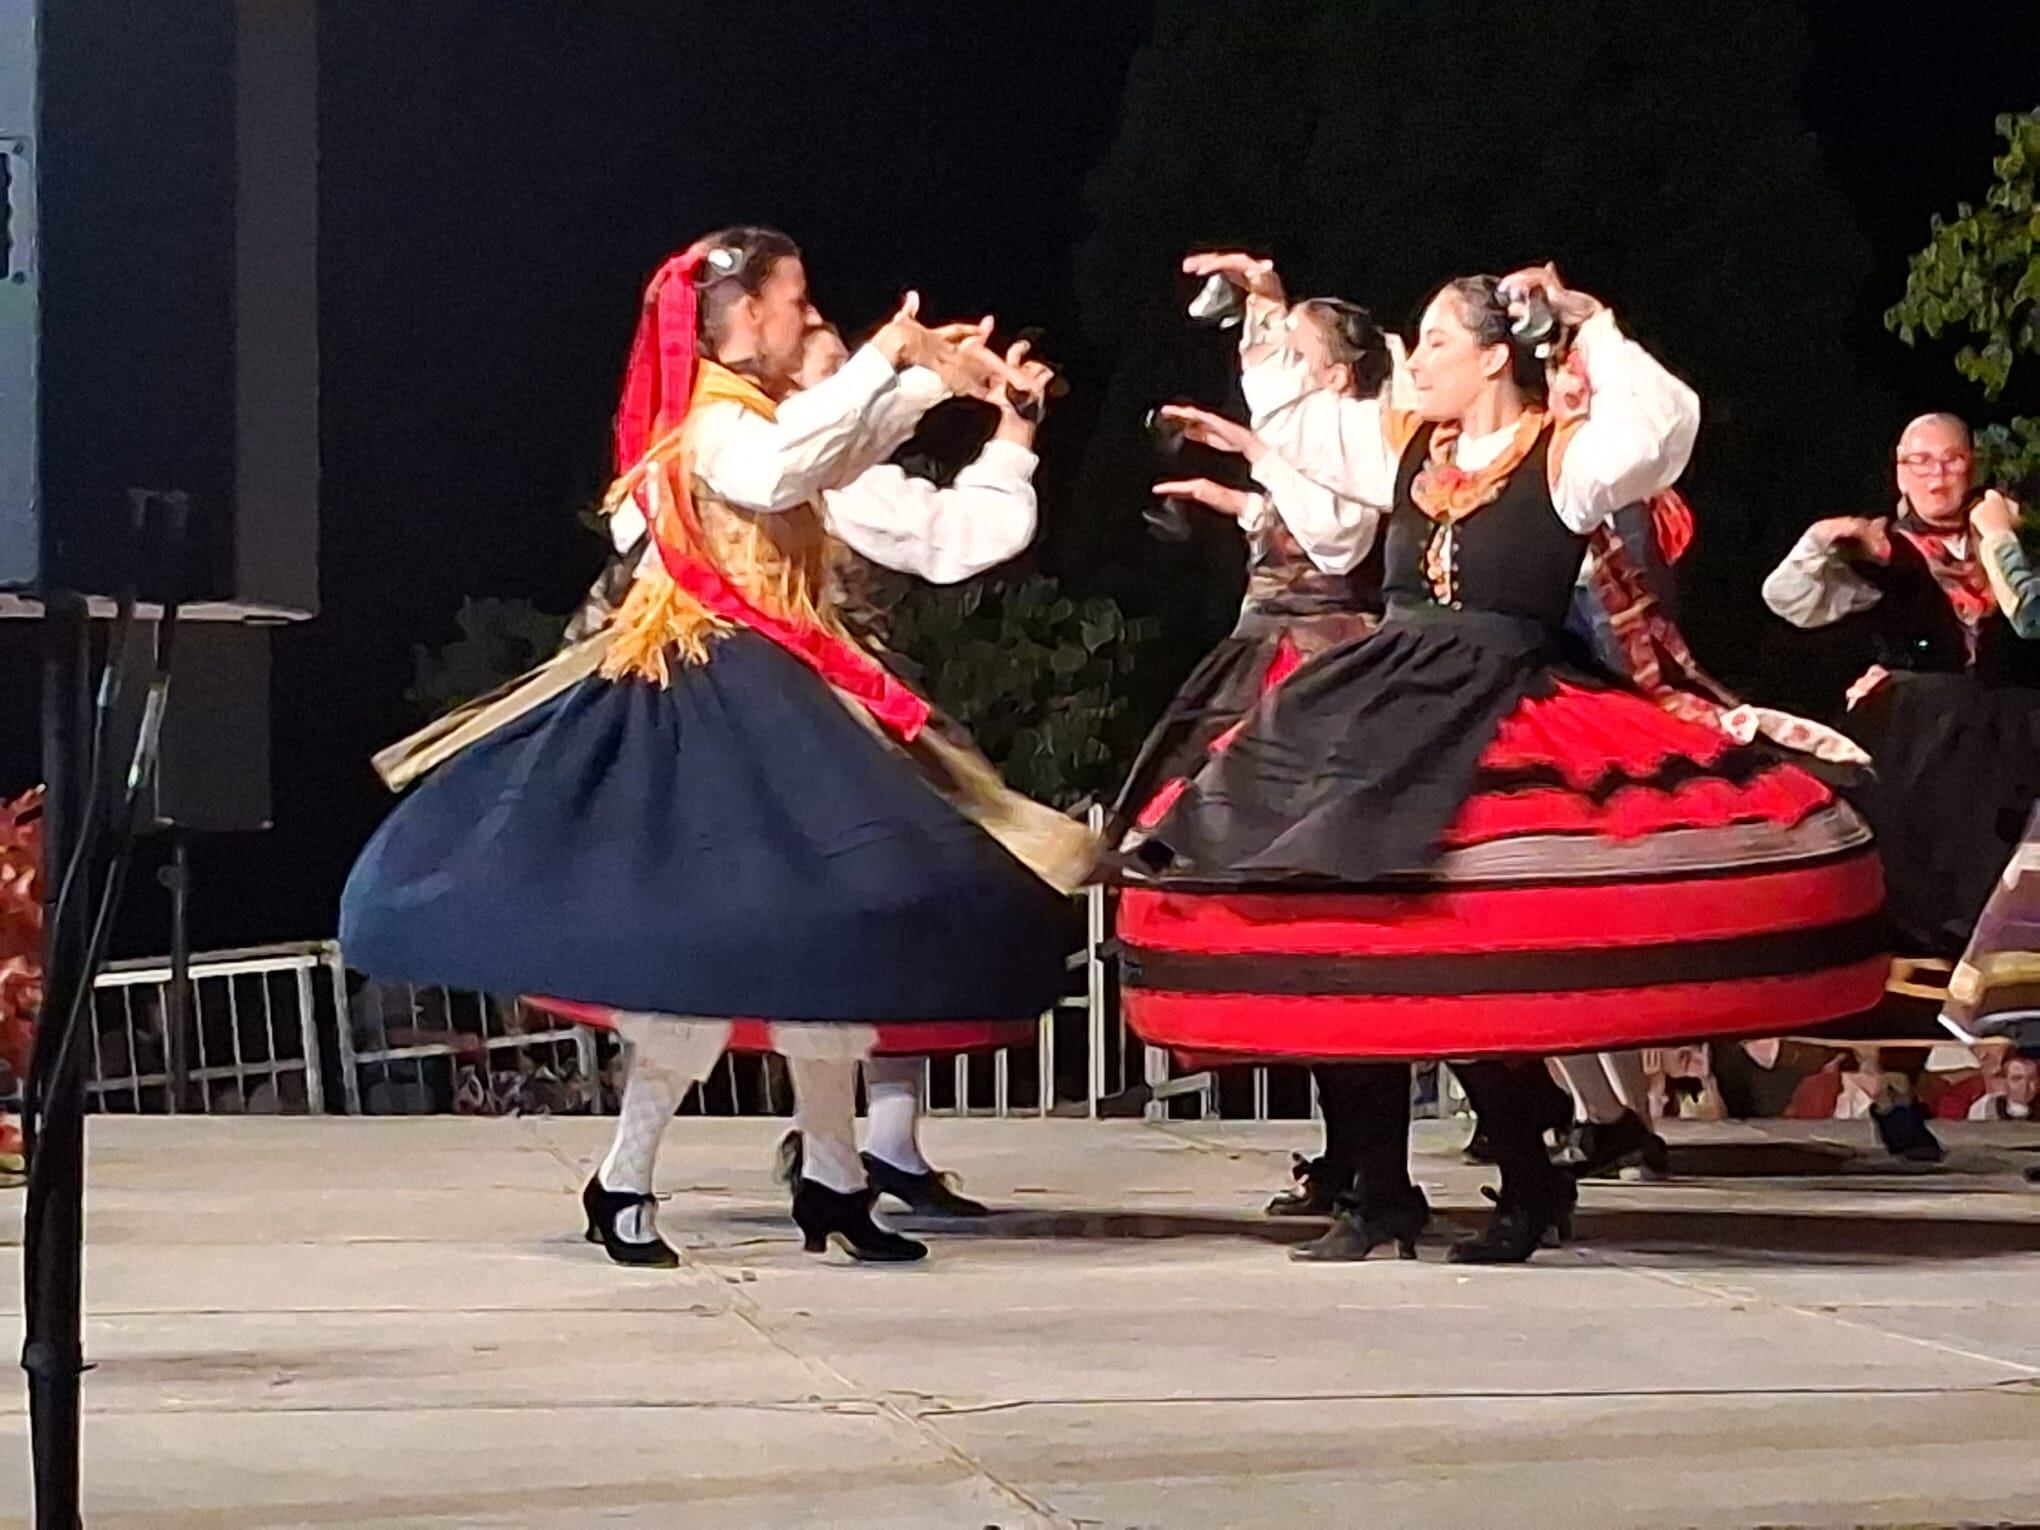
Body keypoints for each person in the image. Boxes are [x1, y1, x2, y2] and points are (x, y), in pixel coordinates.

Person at [343, 227, 1088, 1267]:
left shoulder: (751, 416)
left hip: (781, 695)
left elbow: (834, 462)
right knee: (713, 961)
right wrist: (891, 358)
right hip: (712, 699)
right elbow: (781, 474)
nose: (807, 316)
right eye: (797, 300)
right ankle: (632, 1176)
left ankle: (832, 1177)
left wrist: (926, 380)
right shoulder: (710, 420)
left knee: (820, 945)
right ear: (745, 313)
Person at [1119, 259, 1887, 1263]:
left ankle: (1528, 1180)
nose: (1416, 360)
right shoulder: (1404, 447)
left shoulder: (1563, 457)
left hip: (1501, 703)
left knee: (1475, 945)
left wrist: (1589, 322)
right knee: (1330, 921)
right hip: (1381, 699)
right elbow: (1301, 421)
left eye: (1438, 341)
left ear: (1492, 358)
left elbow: (1665, 426)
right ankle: (1380, 1191)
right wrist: (1264, 312)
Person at [1762, 412, 2040, 1158]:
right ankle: (1890, 1083)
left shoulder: (2005, 534)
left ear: (1971, 465)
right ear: (1898, 470)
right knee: (1909, 910)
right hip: (1918, 745)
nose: (1936, 475)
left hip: (2012, 740)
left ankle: (2009, 1068)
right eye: (1920, 462)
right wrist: (1820, 541)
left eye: (1949, 461)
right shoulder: (1883, 548)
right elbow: (1789, 600)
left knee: (2008, 911)